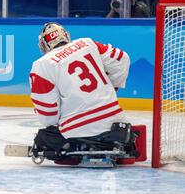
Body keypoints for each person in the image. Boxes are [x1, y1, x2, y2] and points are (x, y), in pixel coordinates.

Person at [29, 23, 141, 164]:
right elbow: (122, 59)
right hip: (114, 122)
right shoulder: (86, 43)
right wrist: (112, 87)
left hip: (76, 131)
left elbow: (48, 116)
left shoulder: (42, 64)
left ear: (44, 45)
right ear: (66, 35)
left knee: (44, 137)